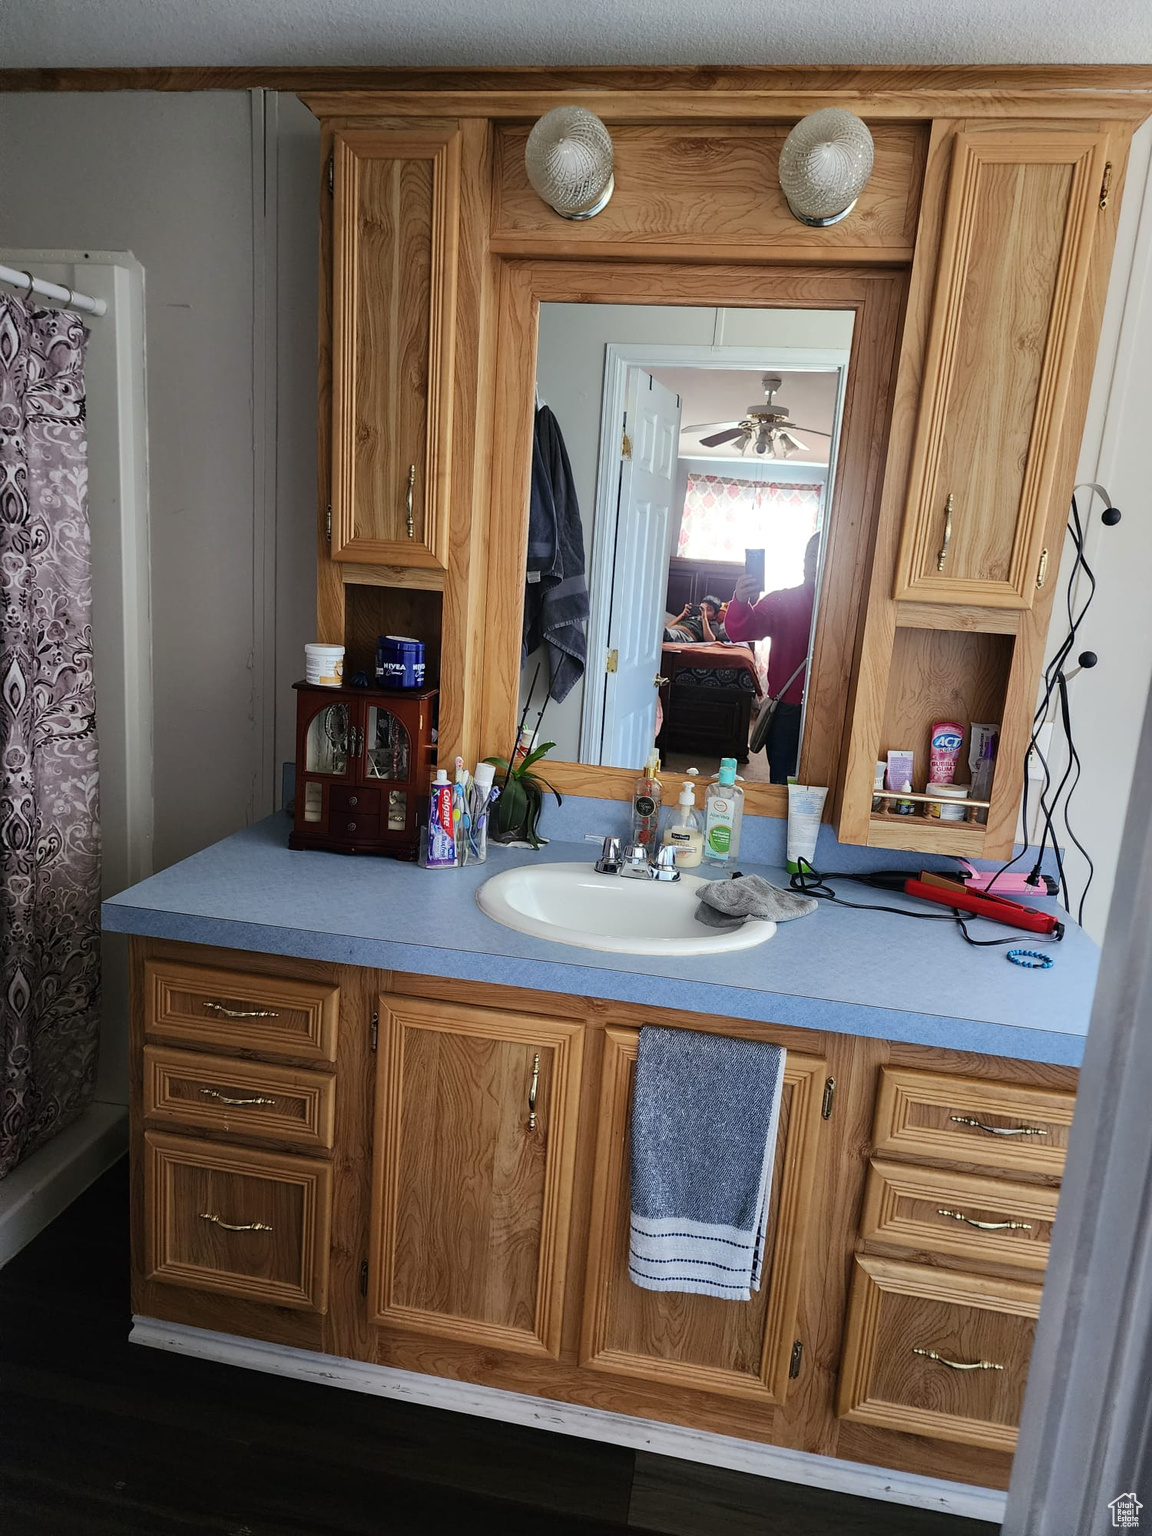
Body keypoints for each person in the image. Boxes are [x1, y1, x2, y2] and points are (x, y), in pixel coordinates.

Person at [725, 535, 819, 783]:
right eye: (812, 556)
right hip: (788, 711)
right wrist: (742, 600)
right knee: (781, 785)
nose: (817, 563)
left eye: (825, 556)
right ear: (803, 562)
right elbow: (741, 631)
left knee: (825, 786)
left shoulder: (854, 606)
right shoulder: (784, 601)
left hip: (833, 714)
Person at [663, 595, 727, 645]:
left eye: (709, 609)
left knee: (665, 634)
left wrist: (704, 618)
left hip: (684, 636)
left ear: (714, 616)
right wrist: (682, 615)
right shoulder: (691, 616)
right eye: (703, 608)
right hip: (672, 631)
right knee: (663, 632)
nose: (704, 611)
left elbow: (711, 640)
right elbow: (668, 626)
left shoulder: (713, 623)